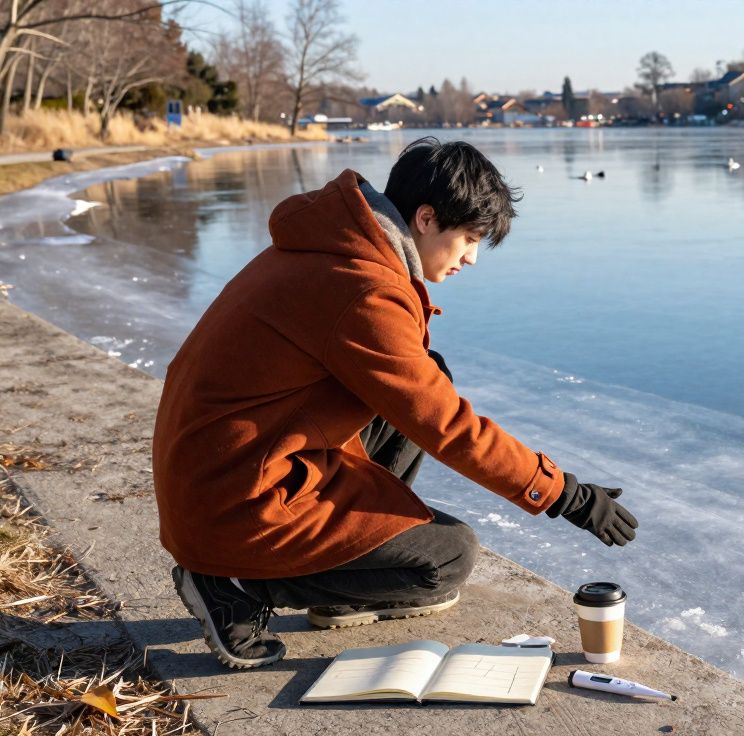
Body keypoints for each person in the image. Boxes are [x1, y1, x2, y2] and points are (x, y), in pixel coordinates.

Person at [152, 138, 639, 669]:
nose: (472, 258)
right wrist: (565, 494)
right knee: (447, 558)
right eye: (469, 238)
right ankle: (237, 586)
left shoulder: (333, 245)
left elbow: (424, 402)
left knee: (430, 375)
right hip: (237, 501)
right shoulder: (362, 288)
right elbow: (448, 426)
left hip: (230, 472)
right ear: (426, 219)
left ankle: (337, 576)